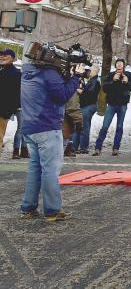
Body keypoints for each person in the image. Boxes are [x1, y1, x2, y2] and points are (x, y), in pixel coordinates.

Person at [19, 45, 84, 221]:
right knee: (50, 170)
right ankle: (53, 210)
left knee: (35, 168)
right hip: (47, 127)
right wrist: (76, 78)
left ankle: (28, 208)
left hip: (30, 127)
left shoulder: (28, 72)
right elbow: (62, 95)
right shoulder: (49, 74)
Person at [93, 59, 131, 156]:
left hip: (122, 105)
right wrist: (113, 81)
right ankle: (98, 148)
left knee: (119, 127)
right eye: (117, 63)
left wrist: (127, 82)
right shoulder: (110, 75)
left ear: (124, 65)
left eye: (121, 63)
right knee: (105, 126)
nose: (119, 64)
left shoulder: (129, 75)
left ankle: (116, 148)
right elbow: (104, 88)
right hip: (111, 104)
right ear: (115, 65)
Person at [0, 49, 22, 157]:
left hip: (3, 111)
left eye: (5, 55)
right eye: (1, 55)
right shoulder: (1, 70)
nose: (2, 57)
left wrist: (10, 110)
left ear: (12, 58)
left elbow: (16, 94)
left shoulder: (15, 73)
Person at [73, 64, 99, 154]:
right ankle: (77, 146)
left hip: (89, 105)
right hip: (88, 105)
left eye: (90, 70)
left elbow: (89, 94)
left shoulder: (95, 81)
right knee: (82, 125)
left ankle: (83, 147)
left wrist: (81, 91)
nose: (88, 72)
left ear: (95, 71)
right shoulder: (92, 81)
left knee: (84, 126)